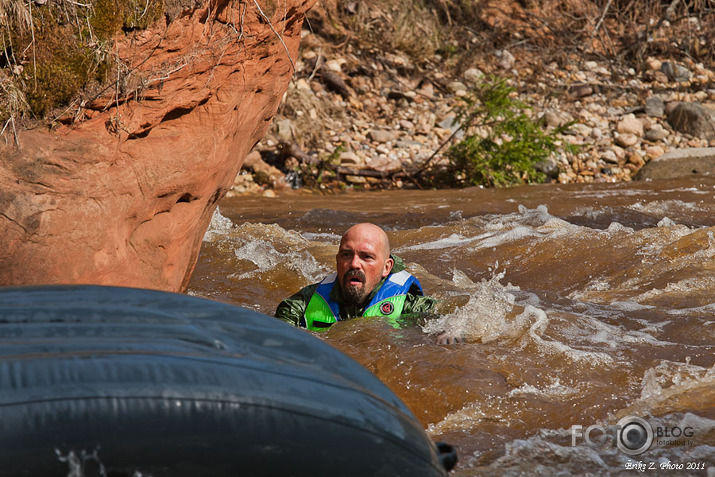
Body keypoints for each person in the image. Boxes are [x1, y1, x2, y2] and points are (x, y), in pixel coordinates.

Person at [275, 223, 436, 330]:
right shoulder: (303, 303)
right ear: (337, 260)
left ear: (386, 268)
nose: (354, 264)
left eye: (366, 257)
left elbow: (451, 314)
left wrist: (450, 330)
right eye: (346, 254)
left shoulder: (407, 305)